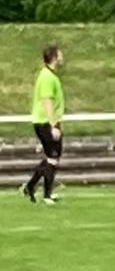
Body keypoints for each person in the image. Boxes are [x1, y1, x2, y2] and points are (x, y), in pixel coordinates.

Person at [21, 44, 65, 205]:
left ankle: (31, 187)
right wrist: (53, 125)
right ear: (54, 58)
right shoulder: (47, 77)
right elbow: (47, 101)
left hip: (49, 121)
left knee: (52, 158)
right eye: (60, 55)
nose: (62, 57)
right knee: (52, 158)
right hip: (44, 122)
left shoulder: (50, 75)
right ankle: (46, 194)